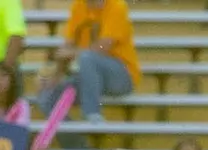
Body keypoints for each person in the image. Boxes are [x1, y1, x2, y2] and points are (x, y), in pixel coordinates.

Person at [35, 0, 139, 130]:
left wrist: (73, 52)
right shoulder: (78, 6)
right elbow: (67, 47)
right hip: (89, 78)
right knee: (47, 97)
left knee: (87, 57)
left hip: (121, 76)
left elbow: (104, 46)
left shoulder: (116, 5)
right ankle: (76, 141)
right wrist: (54, 78)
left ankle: (92, 115)